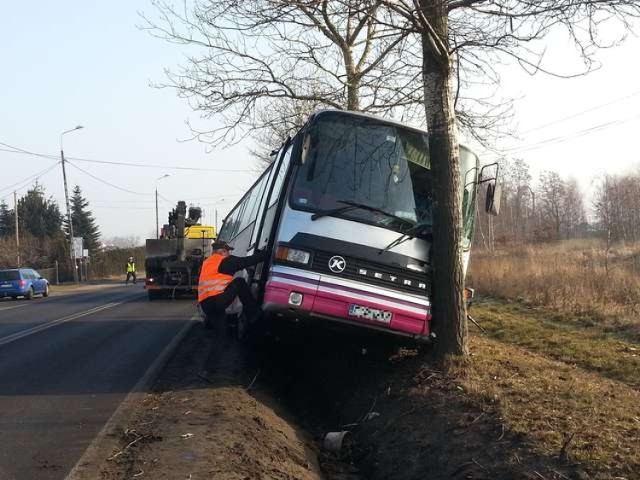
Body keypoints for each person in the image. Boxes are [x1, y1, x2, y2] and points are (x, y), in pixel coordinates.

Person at [197, 241, 266, 327]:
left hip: (205, 305)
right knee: (239, 282)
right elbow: (247, 261)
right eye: (228, 251)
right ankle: (253, 314)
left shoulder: (206, 263)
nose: (229, 253)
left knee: (221, 330)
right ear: (222, 251)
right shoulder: (225, 260)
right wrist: (265, 253)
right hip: (217, 301)